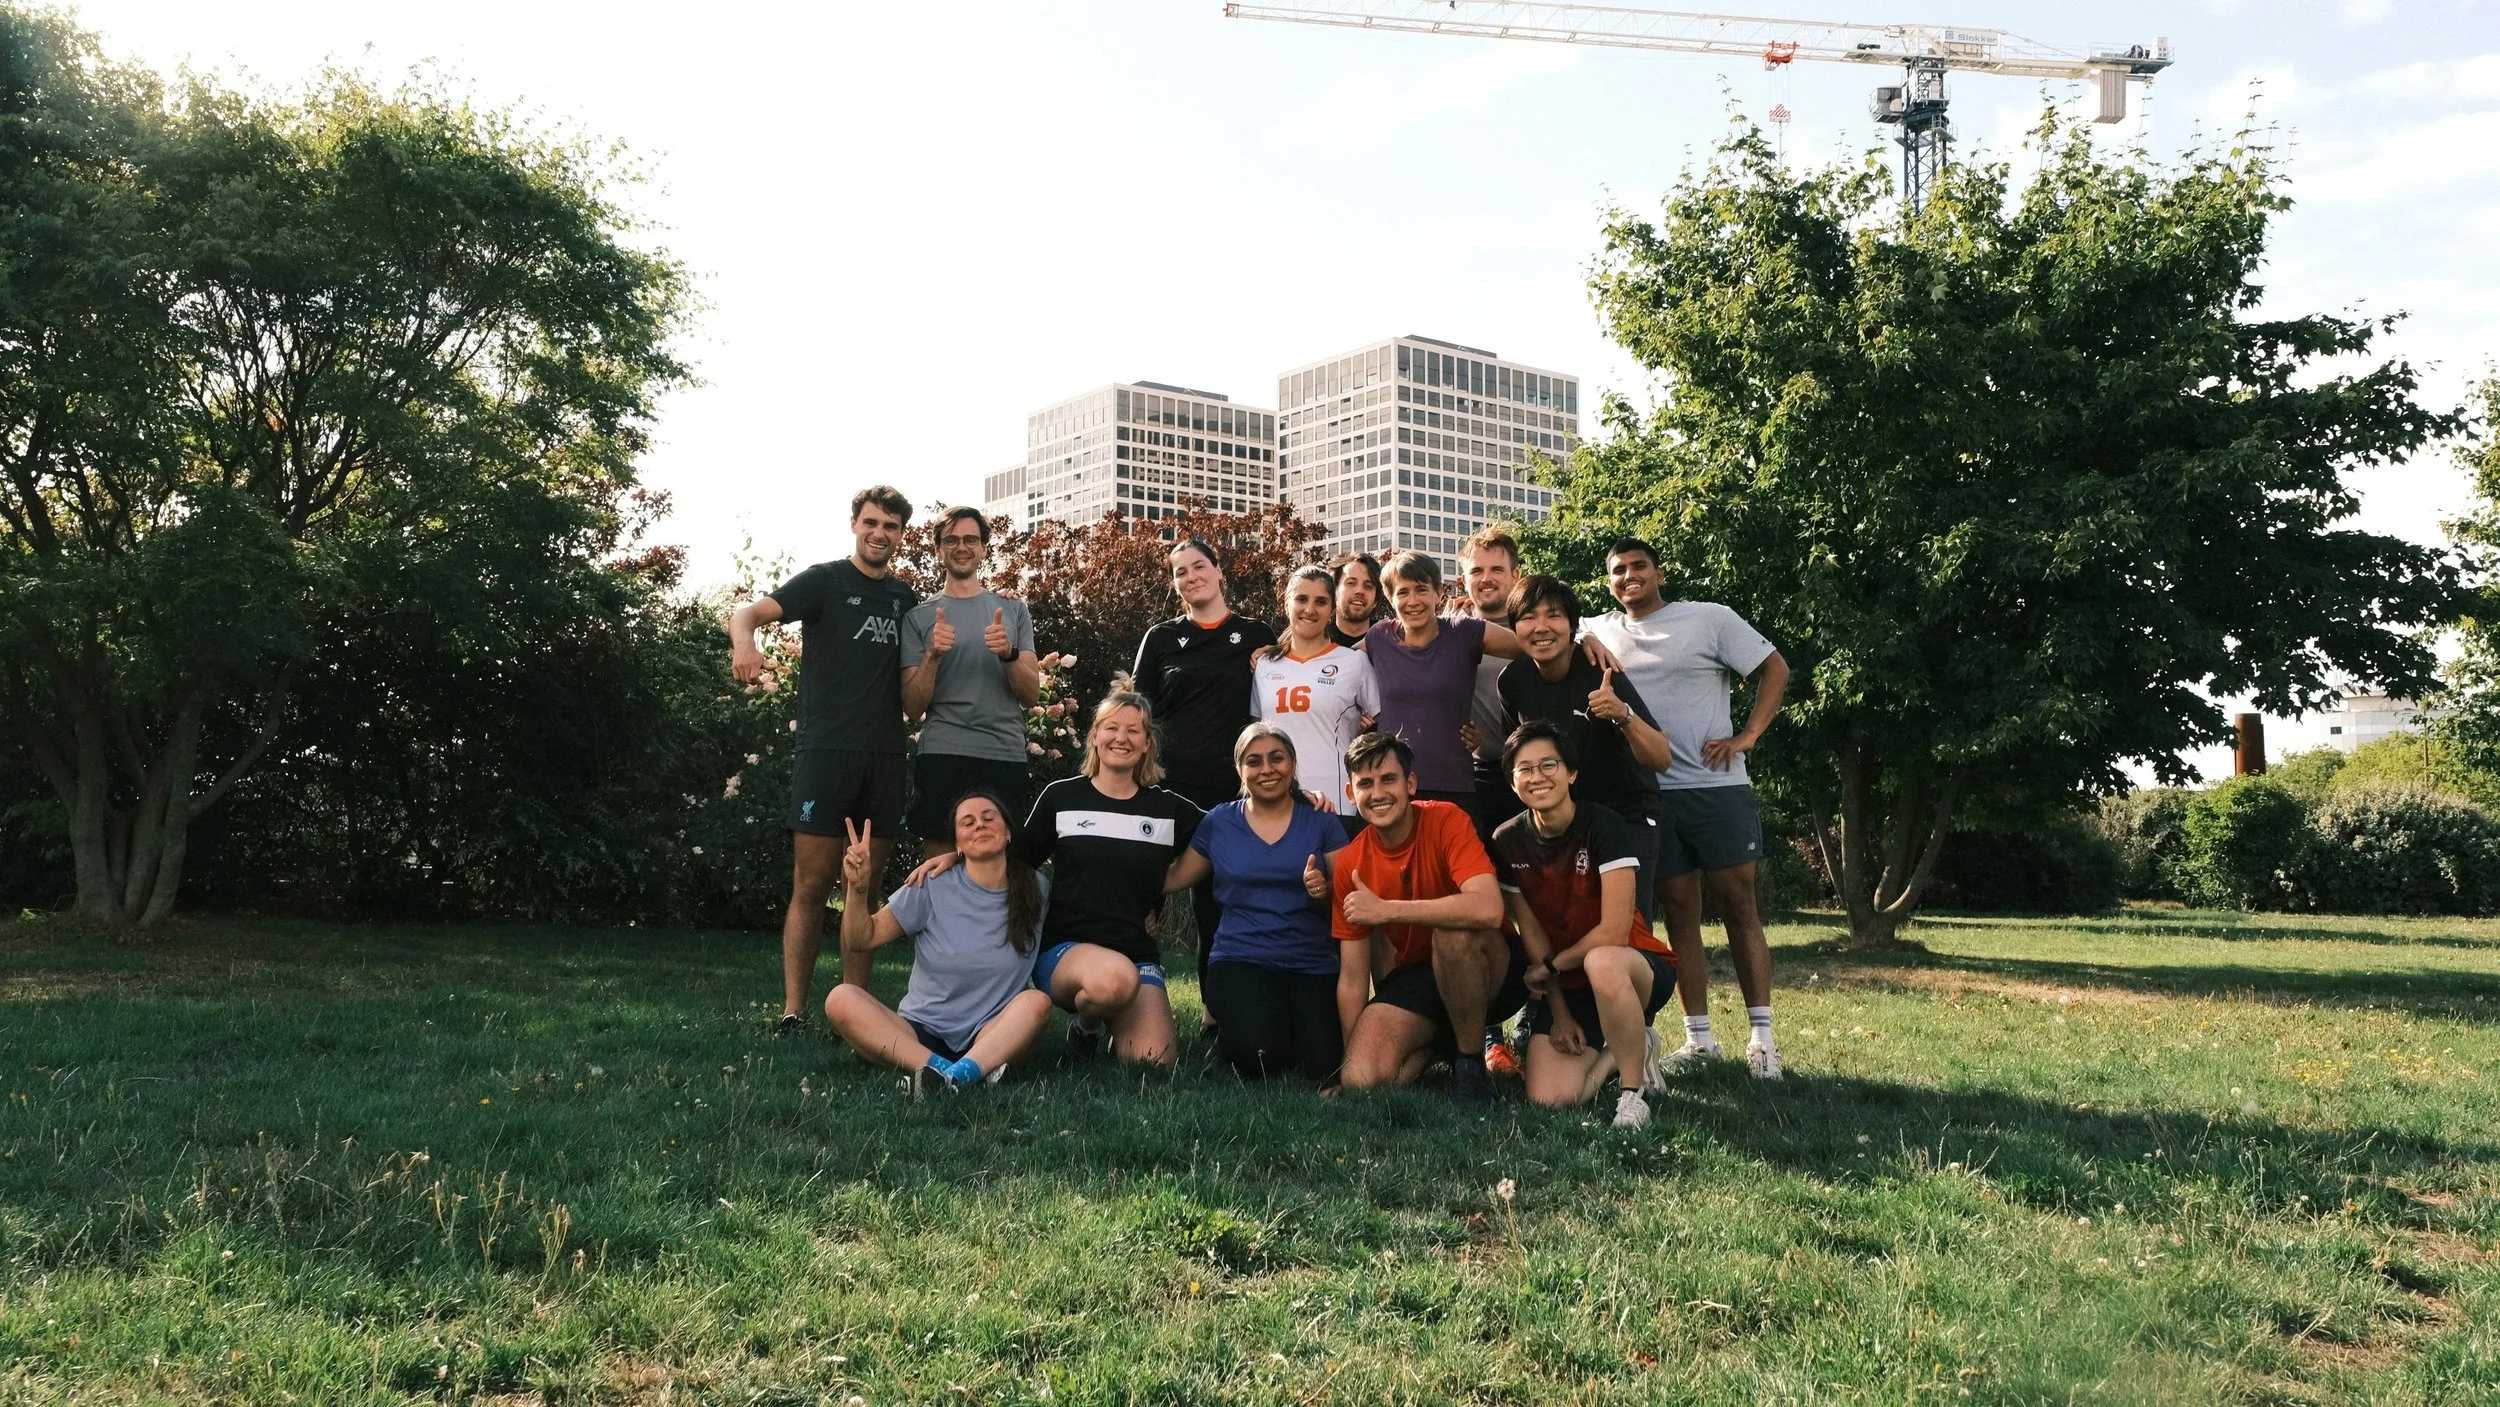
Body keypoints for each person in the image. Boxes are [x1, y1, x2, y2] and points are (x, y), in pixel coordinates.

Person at [1585, 537, 1793, 1080]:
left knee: (1739, 906)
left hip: (1714, 786)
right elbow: (1537, 627)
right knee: (1680, 915)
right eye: (1617, 571)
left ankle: (1762, 1039)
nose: (1628, 577)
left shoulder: (1709, 618)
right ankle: (1698, 1039)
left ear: (1659, 572)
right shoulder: (1596, 630)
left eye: (1638, 567)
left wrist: (1749, 734)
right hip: (1649, 794)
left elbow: (1776, 669)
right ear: (1607, 581)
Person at [727, 485, 918, 1036]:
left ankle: (855, 1012)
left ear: (901, 535)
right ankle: (794, 1011)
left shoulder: (907, 601)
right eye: (871, 522)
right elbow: (748, 612)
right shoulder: (825, 580)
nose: (880, 533)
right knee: (812, 886)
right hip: (824, 754)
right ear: (855, 525)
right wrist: (745, 644)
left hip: (884, 756)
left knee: (867, 887)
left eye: (891, 526)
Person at [1322, 731, 1524, 1107]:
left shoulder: (1447, 819)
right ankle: (1440, 1044)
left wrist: (1387, 909)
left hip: (1491, 966)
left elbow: (1488, 909)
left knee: (1452, 932)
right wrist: (1348, 1064)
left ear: (1410, 783)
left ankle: (1469, 1068)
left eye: (1388, 779)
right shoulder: (1350, 861)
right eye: (1365, 784)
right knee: (1364, 1079)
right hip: (1419, 976)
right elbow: (1352, 980)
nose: (1378, 793)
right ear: (1351, 795)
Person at [1493, 723, 1677, 1129]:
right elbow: (1533, 932)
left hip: (1634, 968)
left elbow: (1613, 932)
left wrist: (1553, 966)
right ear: (1512, 781)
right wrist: (1558, 1011)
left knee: (1603, 961)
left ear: (1572, 772)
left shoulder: (1606, 826)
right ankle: (1627, 1050)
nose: (1537, 776)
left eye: (1548, 764)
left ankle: (1632, 1097)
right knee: (1550, 1099)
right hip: (1571, 981)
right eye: (1524, 769)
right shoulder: (1508, 839)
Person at [1162, 722, 1353, 1082]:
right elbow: (1174, 877)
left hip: (1311, 962)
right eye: (1254, 761)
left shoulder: (1321, 820)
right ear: (1240, 771)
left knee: (1324, 1063)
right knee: (1259, 1056)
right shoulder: (1219, 822)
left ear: (1293, 765)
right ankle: (1242, 1029)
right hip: (1240, 959)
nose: (1267, 769)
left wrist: (1324, 889)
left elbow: (1350, 895)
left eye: (1276, 758)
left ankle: (1286, 1024)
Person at [824, 799, 1054, 1093]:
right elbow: (860, 939)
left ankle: (946, 1077)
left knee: (1036, 1002)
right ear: (956, 843)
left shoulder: (1036, 889)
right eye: (967, 823)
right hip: (919, 1033)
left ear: (1008, 833)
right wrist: (858, 888)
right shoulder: (930, 883)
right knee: (840, 998)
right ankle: (953, 1073)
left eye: (988, 818)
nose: (979, 825)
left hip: (993, 1033)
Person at [1133, 538, 1277, 986]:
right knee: (1142, 895)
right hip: (1166, 785)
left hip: (1231, 790)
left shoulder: (1257, 635)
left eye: (1199, 566)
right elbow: (1136, 710)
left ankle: (1218, 1011)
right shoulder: (1161, 638)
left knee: (1213, 903)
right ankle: (1125, 998)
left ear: (1219, 572)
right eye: (1180, 571)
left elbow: (1279, 701)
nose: (1191, 576)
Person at [1497, 574, 1674, 920]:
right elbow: (1516, 754)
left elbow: (1661, 757)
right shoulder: (1512, 680)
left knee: (1627, 931)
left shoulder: (1599, 670)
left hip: (1626, 813)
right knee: (1568, 925)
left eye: (1553, 616)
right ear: (1515, 627)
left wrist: (1622, 714)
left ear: (1572, 626)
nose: (1541, 627)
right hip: (1563, 821)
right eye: (1528, 618)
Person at [900, 506, 1041, 858]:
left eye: (970, 539)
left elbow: (1031, 696)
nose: (961, 546)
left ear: (982, 548)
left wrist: (1008, 654)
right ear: (938, 548)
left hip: (1002, 755)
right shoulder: (918, 618)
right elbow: (913, 708)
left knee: (1001, 869)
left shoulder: (1014, 611)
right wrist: (932, 655)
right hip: (943, 754)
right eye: (951, 540)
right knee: (939, 869)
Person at [1254, 564, 1379, 837]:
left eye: (1320, 601)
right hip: (1276, 801)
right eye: (1301, 599)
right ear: (1285, 603)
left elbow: (1380, 726)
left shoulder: (1354, 662)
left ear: (1332, 609)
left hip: (1336, 803)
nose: (1310, 609)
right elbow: (1256, 734)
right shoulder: (1264, 665)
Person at [1326, 552, 1383, 649]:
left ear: (1376, 601)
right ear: (1334, 592)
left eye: (1368, 586)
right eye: (1351, 583)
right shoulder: (1317, 641)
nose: (1359, 591)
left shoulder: (1390, 643)